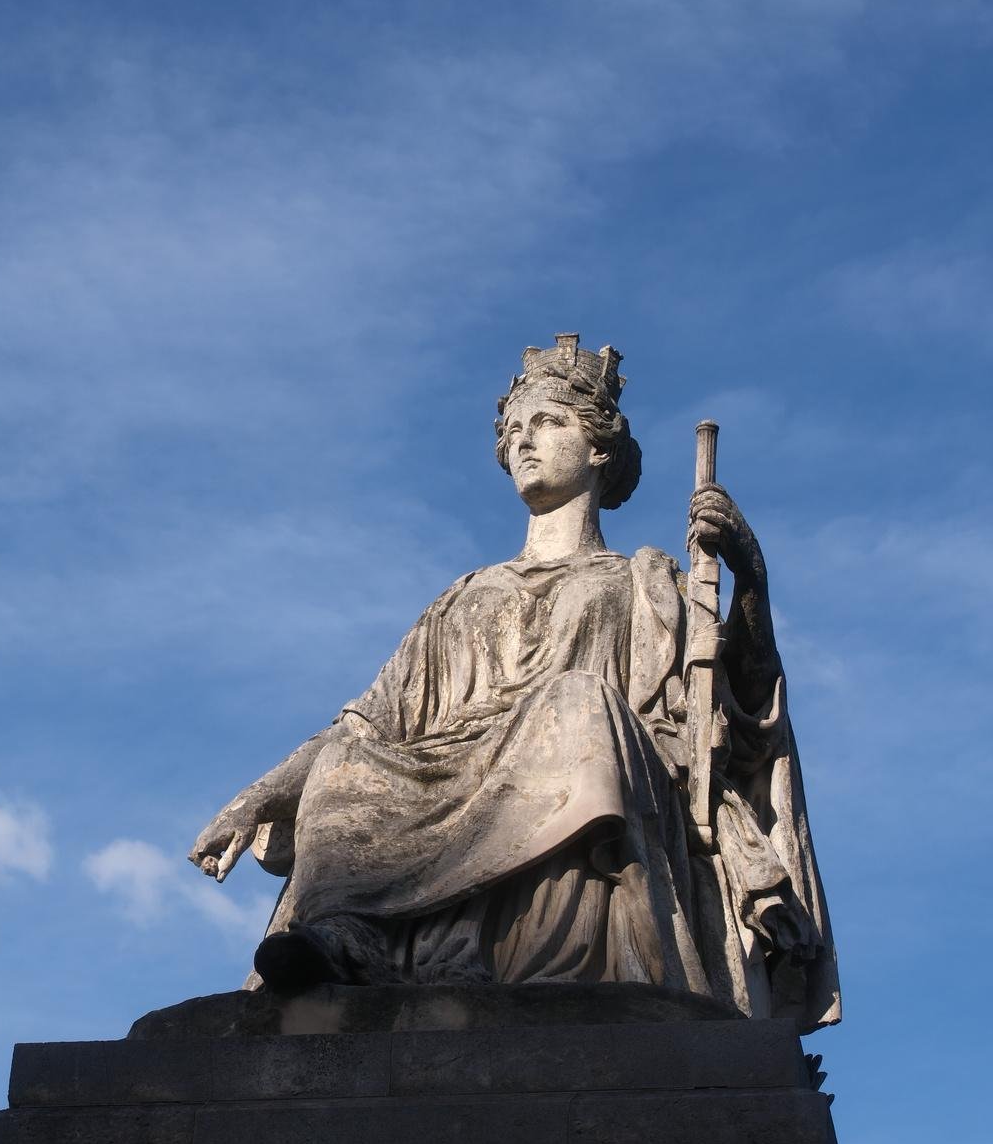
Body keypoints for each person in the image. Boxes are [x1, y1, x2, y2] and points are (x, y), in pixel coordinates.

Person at [189, 335, 838, 1031]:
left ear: (599, 450)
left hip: (579, 761)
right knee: (353, 759)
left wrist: (748, 577)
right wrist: (257, 798)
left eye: (548, 422)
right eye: (512, 430)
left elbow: (740, 707)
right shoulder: (463, 596)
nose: (523, 442)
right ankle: (351, 942)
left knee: (573, 704)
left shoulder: (640, 582)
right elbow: (368, 721)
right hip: (448, 769)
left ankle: (533, 965)